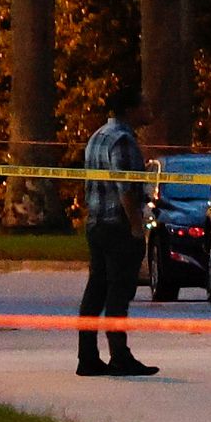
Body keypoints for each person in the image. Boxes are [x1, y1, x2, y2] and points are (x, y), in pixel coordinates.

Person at [75, 85, 159, 377]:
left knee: (96, 290)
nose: (150, 110)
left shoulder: (98, 136)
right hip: (117, 226)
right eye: (144, 104)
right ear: (130, 109)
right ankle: (119, 356)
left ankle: (87, 357)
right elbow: (125, 189)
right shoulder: (123, 140)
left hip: (96, 222)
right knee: (119, 292)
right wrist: (136, 227)